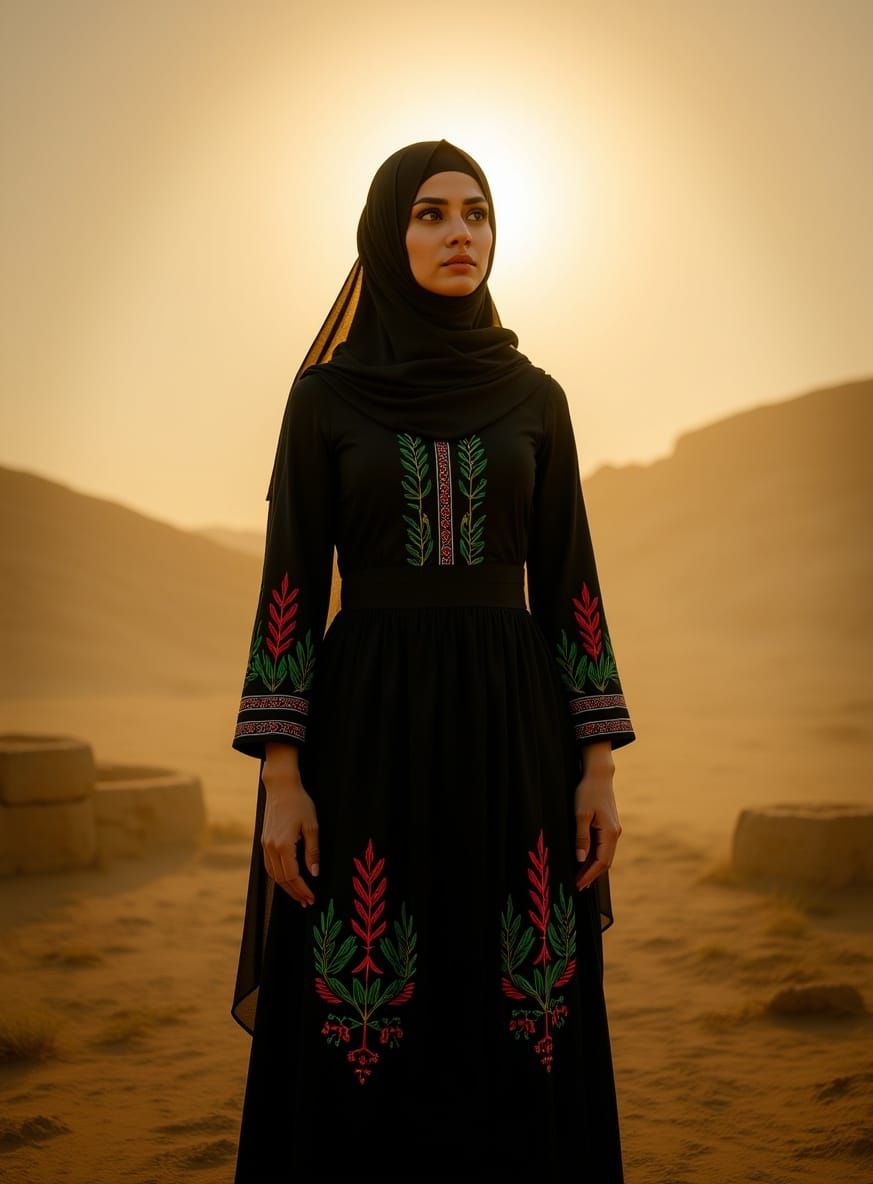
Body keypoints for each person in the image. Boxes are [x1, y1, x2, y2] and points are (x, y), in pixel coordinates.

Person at [229, 138, 636, 1182]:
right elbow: (289, 584)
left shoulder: (534, 395)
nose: (460, 232)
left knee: (513, 999)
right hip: (367, 726)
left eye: (477, 212)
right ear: (384, 233)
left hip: (513, 728)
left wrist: (597, 762)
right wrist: (281, 774)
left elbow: (570, 581)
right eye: (429, 213)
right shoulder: (323, 398)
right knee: (366, 1004)